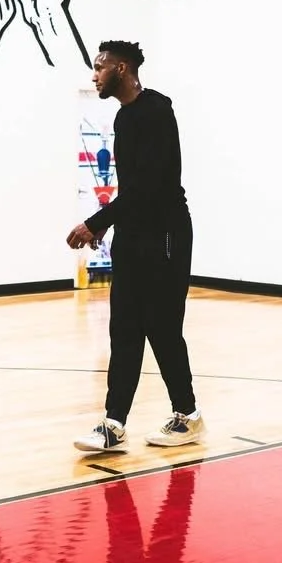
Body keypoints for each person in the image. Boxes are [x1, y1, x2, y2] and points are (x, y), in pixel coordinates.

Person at [66, 41, 203, 453]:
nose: (94, 74)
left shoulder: (157, 112)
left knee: (162, 330)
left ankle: (188, 415)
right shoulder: (125, 118)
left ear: (122, 69)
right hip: (135, 235)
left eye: (100, 67)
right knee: (123, 330)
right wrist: (113, 227)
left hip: (165, 237)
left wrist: (95, 223)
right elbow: (134, 191)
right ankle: (113, 423)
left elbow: (148, 187)